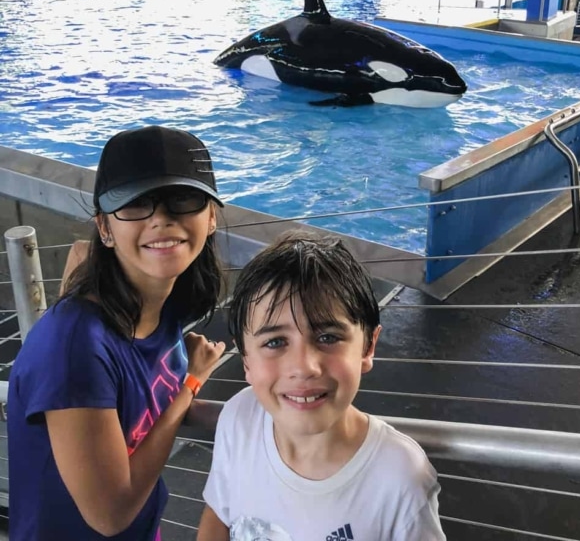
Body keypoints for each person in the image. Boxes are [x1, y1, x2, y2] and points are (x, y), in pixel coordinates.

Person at [8, 124, 227, 541]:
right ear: (105, 229)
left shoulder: (163, 310)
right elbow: (110, 514)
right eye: (135, 204)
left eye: (182, 198)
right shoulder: (74, 346)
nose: (161, 218)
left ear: (211, 216)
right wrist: (191, 384)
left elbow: (140, 414)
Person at [197, 231, 446, 541]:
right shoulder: (239, 417)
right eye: (275, 342)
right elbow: (219, 513)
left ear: (368, 346)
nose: (304, 367)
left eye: (327, 337)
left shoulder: (399, 477)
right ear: (246, 359)